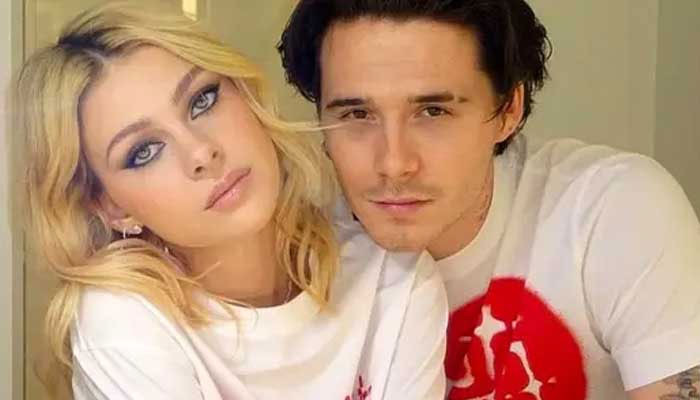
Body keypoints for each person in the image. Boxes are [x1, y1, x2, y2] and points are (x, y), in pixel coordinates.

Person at [13, 3, 447, 399]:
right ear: (113, 208)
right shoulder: (125, 324)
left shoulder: (393, 281)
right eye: (144, 151)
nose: (202, 153)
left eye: (202, 101)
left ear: (247, 97)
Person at [277, 0, 700, 399]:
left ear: (508, 109)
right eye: (356, 114)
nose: (394, 163)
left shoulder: (613, 211)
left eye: (433, 112)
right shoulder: (287, 254)